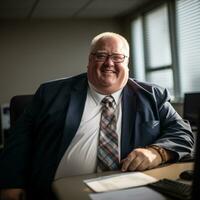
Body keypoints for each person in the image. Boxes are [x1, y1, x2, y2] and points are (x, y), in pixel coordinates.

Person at [0, 32, 194, 200]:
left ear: (127, 63)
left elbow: (182, 132)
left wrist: (156, 152)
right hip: (56, 191)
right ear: (89, 60)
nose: (109, 63)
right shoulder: (50, 93)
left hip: (131, 190)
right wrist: (10, 183)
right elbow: (19, 139)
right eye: (101, 55)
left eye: (118, 57)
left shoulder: (152, 95)